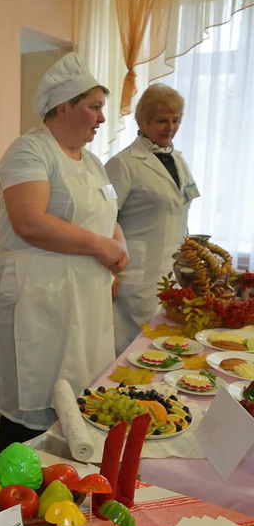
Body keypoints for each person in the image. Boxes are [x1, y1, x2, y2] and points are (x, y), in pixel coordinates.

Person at [0, 53, 128, 455]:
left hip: (82, 297)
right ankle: (14, 498)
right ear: (64, 106)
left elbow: (106, 212)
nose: (101, 118)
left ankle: (69, 480)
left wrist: (118, 243)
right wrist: (102, 247)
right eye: (94, 107)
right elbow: (30, 222)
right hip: (37, 296)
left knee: (77, 395)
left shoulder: (93, 162)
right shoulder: (29, 151)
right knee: (33, 400)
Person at [106, 84, 199, 355]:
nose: (170, 127)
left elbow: (179, 212)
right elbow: (103, 219)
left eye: (175, 120)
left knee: (164, 347)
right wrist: (110, 272)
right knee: (131, 349)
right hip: (135, 273)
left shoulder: (178, 160)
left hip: (172, 271)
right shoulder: (122, 164)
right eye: (162, 120)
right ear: (142, 121)